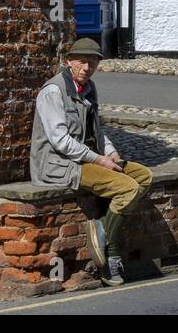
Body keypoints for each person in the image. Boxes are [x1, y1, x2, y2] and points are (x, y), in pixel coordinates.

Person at [29, 37, 152, 286]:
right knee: (127, 188)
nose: (87, 68)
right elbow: (60, 141)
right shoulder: (53, 91)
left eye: (93, 63)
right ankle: (112, 255)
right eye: (82, 62)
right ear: (68, 62)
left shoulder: (88, 88)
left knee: (142, 176)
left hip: (88, 160)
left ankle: (101, 229)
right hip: (59, 165)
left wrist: (112, 153)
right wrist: (99, 160)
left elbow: (97, 129)